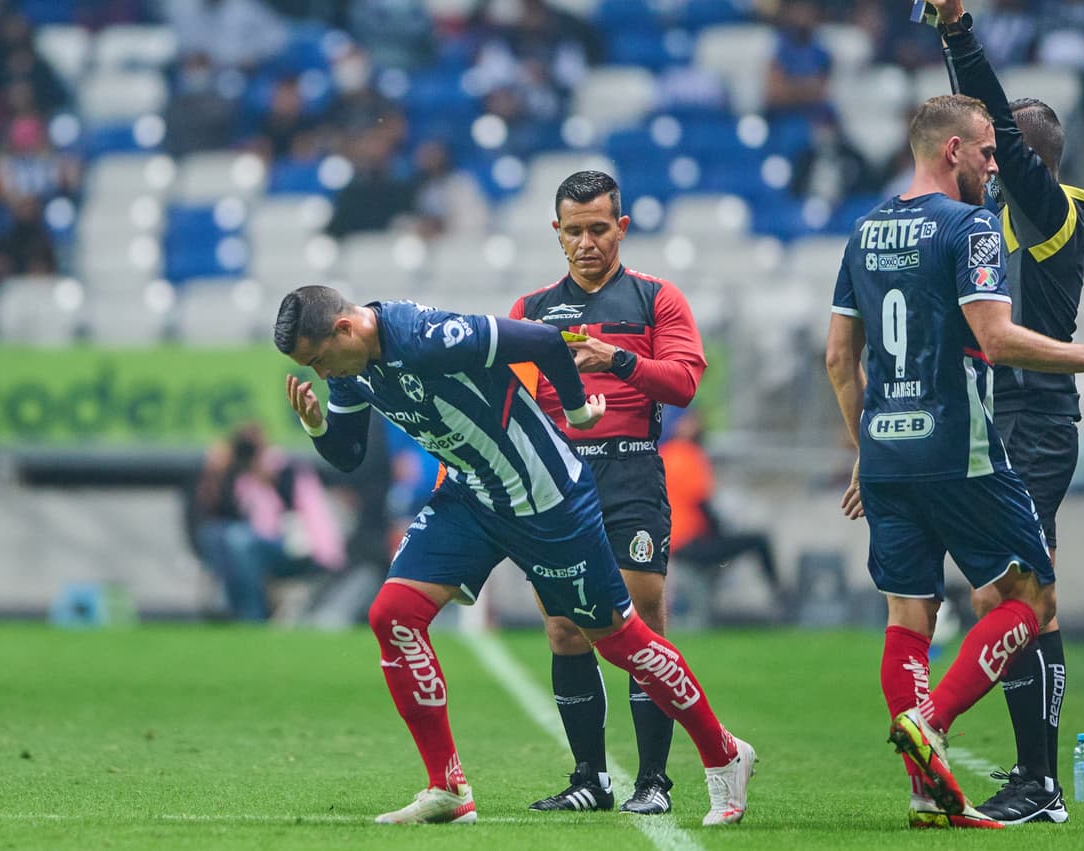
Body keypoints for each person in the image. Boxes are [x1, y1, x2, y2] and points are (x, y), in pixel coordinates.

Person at [275, 285, 756, 826]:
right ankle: (449, 788)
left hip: (545, 500)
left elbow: (547, 342)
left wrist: (577, 410)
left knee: (621, 642)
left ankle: (724, 753)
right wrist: (316, 424)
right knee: (393, 616)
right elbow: (348, 452)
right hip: (471, 498)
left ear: (344, 329)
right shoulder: (349, 368)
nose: (320, 373)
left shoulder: (426, 336)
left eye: (318, 360)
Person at [825, 93, 1084, 830]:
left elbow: (837, 358)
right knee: (1030, 596)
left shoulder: (865, 228)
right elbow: (998, 336)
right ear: (953, 152)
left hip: (883, 445)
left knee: (908, 614)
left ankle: (925, 790)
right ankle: (935, 720)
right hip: (960, 442)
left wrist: (863, 446)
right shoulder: (971, 224)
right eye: (985, 151)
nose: (993, 164)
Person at [930, 0, 1084, 824]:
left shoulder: (1051, 214)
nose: (986, 160)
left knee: (1021, 600)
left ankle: (1042, 783)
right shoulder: (993, 219)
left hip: (1034, 422)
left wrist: (959, 32)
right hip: (991, 422)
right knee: (1007, 600)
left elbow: (985, 120)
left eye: (999, 150)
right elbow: (966, 125)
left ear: (1024, 157)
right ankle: (1038, 780)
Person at [507, 170, 708, 815]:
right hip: (557, 478)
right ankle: (589, 778)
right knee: (566, 628)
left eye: (599, 228)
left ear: (621, 227)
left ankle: (653, 781)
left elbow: (682, 383)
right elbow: (508, 400)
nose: (587, 242)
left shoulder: (656, 299)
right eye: (574, 230)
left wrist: (615, 360)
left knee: (642, 618)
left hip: (628, 473)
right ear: (557, 233)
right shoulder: (531, 312)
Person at [191, 422, 346, 621]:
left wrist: (270, 481)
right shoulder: (238, 477)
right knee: (216, 534)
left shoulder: (285, 469)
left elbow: (309, 512)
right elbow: (218, 515)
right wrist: (216, 474)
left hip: (298, 548)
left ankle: (254, 616)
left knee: (239, 540)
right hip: (258, 546)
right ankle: (229, 606)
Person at [660, 408, 780, 596]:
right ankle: (780, 595)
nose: (699, 424)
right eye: (692, 421)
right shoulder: (689, 454)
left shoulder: (664, 454)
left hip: (667, 542)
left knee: (730, 544)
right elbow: (702, 504)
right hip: (689, 541)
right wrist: (722, 532)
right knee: (758, 540)